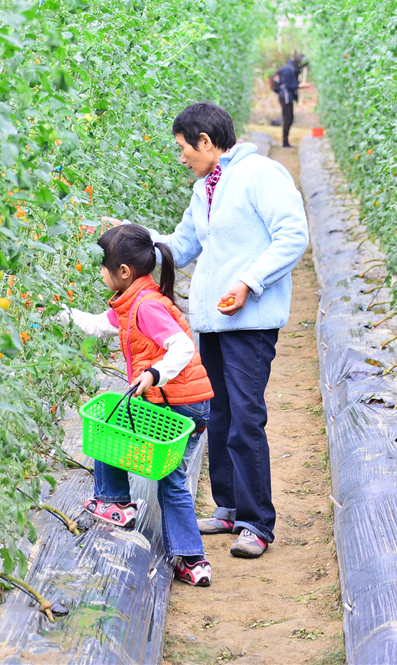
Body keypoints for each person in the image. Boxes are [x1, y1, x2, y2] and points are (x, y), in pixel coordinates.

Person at [106, 102, 309, 558]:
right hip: (213, 321)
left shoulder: (261, 175)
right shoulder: (205, 189)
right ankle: (228, 507)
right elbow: (180, 247)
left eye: (183, 148)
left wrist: (248, 283)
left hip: (249, 321)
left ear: (205, 141)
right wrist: (130, 237)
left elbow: (293, 235)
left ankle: (257, 522)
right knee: (218, 416)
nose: (181, 157)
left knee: (245, 418)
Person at [61, 223, 215, 586]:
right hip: (178, 400)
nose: (100, 272)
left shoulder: (146, 307)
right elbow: (101, 325)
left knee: (170, 478)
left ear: (124, 272)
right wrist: (59, 313)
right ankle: (118, 504)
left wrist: (154, 374)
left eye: (103, 266)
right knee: (112, 429)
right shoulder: (132, 300)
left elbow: (182, 347)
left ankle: (189, 557)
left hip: (181, 404)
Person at [271, 53, 307, 148]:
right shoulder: (288, 70)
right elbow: (287, 85)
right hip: (285, 97)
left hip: (287, 97)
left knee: (289, 118)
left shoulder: (291, 69)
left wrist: (299, 85)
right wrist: (299, 86)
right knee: (288, 118)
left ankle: (285, 141)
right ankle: (285, 142)